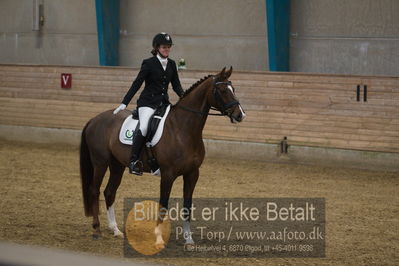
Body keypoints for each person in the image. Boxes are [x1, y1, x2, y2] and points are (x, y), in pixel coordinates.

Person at [113, 32, 184, 175]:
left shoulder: (171, 64)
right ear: (157, 48)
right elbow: (137, 83)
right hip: (148, 103)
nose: (167, 50)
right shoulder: (148, 63)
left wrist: (185, 97)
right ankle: (133, 161)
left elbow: (176, 85)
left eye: (169, 47)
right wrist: (124, 103)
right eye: (164, 47)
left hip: (164, 104)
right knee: (144, 127)